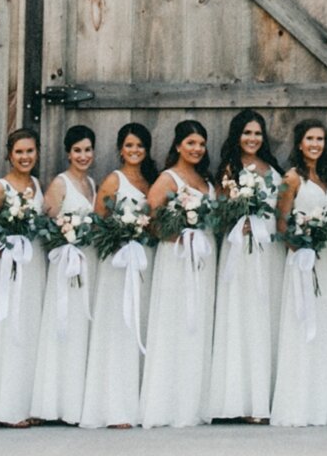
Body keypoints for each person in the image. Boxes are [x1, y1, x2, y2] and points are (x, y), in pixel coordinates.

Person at [138, 120, 217, 427]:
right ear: (178, 146)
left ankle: (194, 402)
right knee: (176, 324)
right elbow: (152, 221)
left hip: (203, 259)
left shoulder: (205, 179)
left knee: (198, 326)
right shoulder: (167, 179)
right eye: (191, 143)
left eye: (201, 144)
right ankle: (168, 404)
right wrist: (179, 236)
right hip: (177, 259)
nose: (197, 149)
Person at [268, 118, 327, 426]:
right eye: (310, 139)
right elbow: (281, 222)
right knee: (303, 327)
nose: (315, 144)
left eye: (321, 140)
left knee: (326, 327)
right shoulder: (292, 177)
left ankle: (324, 398)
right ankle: (299, 401)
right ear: (300, 144)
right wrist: (298, 250)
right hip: (303, 260)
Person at [207, 108, 281, 422]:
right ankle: (240, 400)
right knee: (242, 319)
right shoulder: (229, 168)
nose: (252, 138)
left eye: (257, 133)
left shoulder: (273, 167)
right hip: (242, 251)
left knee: (266, 319)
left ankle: (266, 396)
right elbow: (222, 212)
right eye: (247, 132)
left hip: (269, 253)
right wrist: (239, 219)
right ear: (237, 136)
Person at [79, 123, 154, 429]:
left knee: (141, 325)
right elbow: (97, 223)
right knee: (118, 329)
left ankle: (140, 401)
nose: (134, 151)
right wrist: (121, 236)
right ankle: (113, 406)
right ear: (120, 149)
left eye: (140, 146)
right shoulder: (114, 180)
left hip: (144, 258)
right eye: (129, 145)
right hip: (118, 262)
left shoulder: (151, 180)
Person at [0, 128, 46, 426]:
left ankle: (25, 403)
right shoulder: (0, 188)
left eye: (30, 151)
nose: (25, 157)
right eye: (19, 152)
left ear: (37, 153)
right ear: (9, 154)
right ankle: (3, 407)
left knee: (28, 330)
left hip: (33, 265)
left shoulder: (38, 185)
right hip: (7, 270)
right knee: (6, 331)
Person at [29, 125, 101, 424]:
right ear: (68, 153)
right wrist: (66, 239)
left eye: (87, 150)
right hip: (67, 263)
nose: (83, 156)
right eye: (77, 151)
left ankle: (77, 401)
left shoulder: (92, 184)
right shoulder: (60, 183)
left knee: (82, 329)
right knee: (64, 328)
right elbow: (45, 226)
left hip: (90, 261)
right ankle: (55, 404)